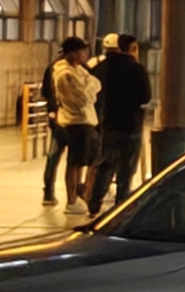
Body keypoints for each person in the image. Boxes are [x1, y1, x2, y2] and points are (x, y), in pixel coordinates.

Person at [93, 34, 153, 211]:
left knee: (105, 164)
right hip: (131, 124)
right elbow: (145, 97)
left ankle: (94, 203)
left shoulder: (103, 67)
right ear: (133, 48)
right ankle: (121, 204)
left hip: (109, 123)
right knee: (126, 169)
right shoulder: (137, 69)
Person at [48, 36, 100, 209]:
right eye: (82, 50)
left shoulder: (79, 70)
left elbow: (96, 83)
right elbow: (83, 99)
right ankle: (72, 199)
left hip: (86, 121)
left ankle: (82, 192)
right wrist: (90, 87)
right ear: (71, 53)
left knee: (90, 160)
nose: (85, 54)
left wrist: (89, 86)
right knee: (75, 162)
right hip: (75, 122)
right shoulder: (65, 74)